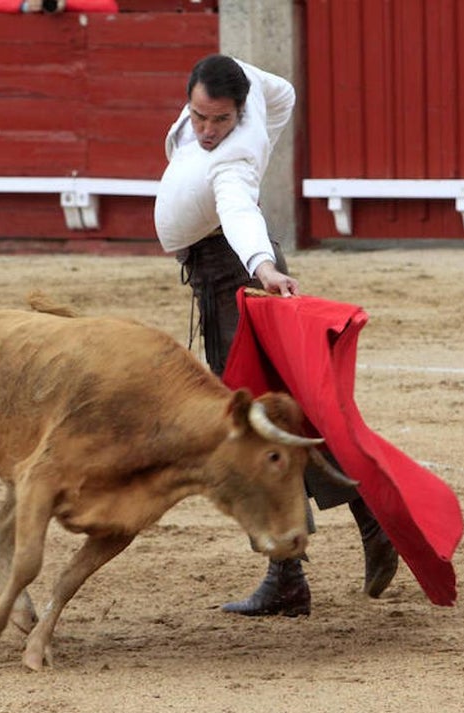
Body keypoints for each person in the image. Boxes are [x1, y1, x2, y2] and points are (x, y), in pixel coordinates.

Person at [153, 54, 398, 616]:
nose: (209, 131)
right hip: (220, 280)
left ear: (240, 113)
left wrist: (262, 266)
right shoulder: (250, 102)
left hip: (236, 283)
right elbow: (282, 90)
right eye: (199, 117)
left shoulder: (235, 156)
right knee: (281, 418)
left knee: (259, 426)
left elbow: (238, 211)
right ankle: (337, 541)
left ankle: (317, 553)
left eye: (220, 120)